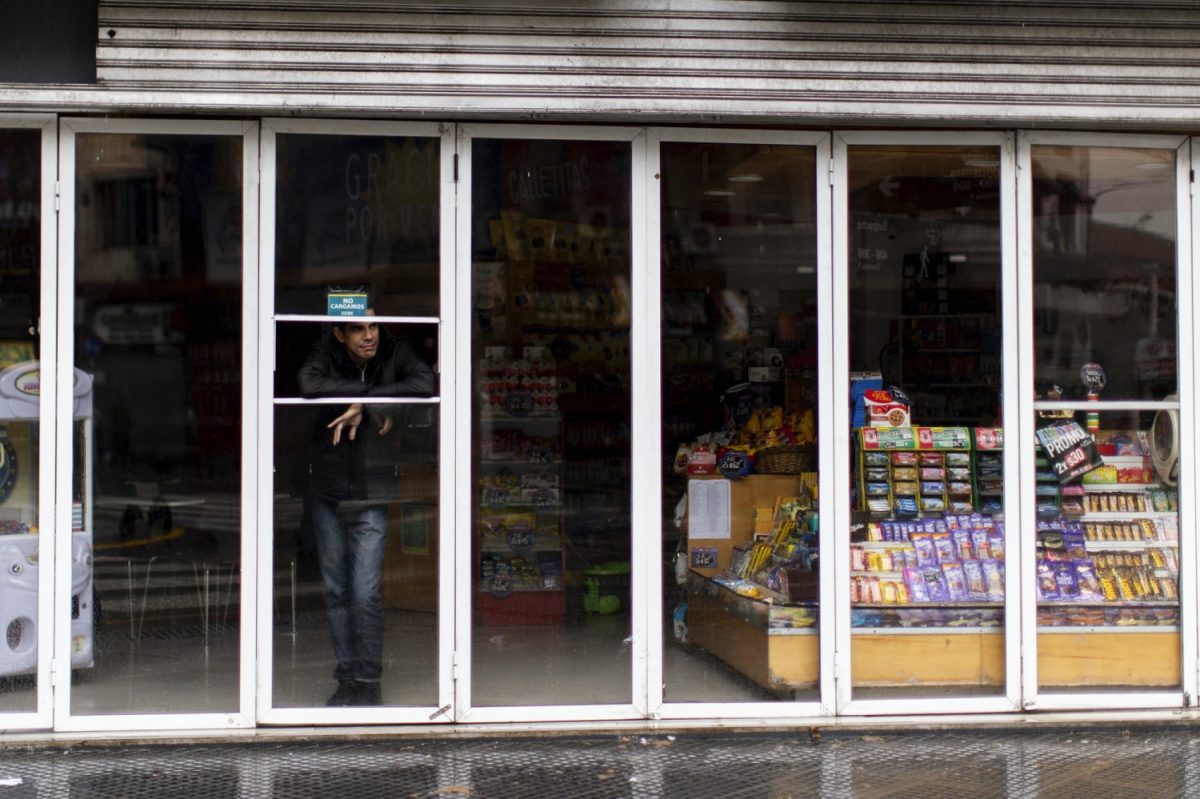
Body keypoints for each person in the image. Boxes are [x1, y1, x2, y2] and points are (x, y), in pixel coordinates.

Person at [297, 316, 435, 707]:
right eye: (357, 328)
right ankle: (347, 679)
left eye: (373, 326)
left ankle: (369, 680)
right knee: (338, 591)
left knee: (365, 592)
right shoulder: (325, 350)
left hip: (372, 489)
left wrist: (366, 403)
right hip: (326, 489)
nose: (369, 334)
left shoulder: (395, 348)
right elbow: (308, 384)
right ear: (339, 334)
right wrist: (367, 396)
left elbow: (424, 382)